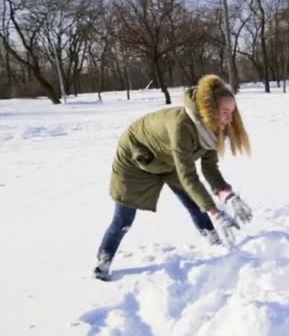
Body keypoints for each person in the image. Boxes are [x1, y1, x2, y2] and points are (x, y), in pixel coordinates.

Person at [93, 74, 252, 281]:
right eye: (225, 112)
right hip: (136, 158)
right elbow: (188, 175)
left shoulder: (213, 129)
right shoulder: (182, 126)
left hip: (169, 160)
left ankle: (215, 243)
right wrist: (216, 212)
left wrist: (229, 197)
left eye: (232, 112)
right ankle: (103, 261)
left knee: (195, 203)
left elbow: (210, 168)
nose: (230, 119)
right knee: (124, 219)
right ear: (211, 110)